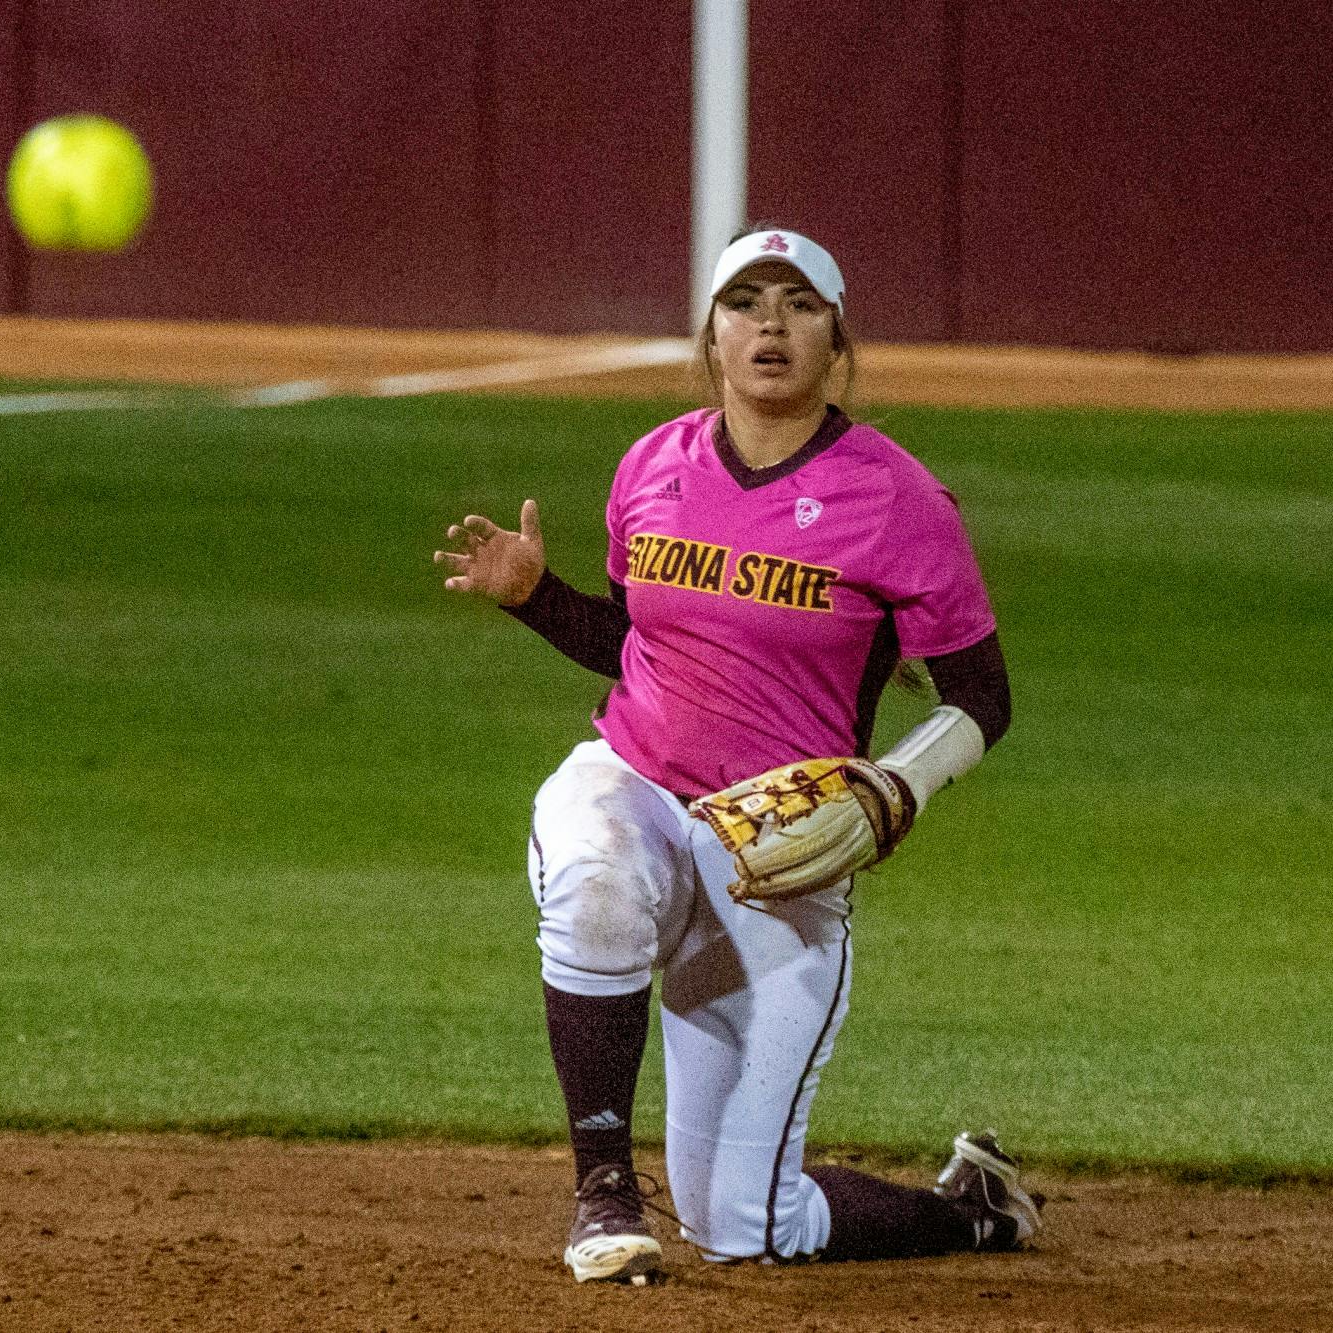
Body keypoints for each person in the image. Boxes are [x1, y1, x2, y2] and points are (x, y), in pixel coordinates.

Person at [433, 226, 1040, 1282]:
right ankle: (603, 1192)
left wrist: (899, 781)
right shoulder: (651, 464)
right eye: (745, 303)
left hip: (777, 846)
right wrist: (536, 599)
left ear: (836, 339)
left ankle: (974, 1210)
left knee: (745, 1227)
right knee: (593, 880)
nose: (770, 324)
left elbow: (982, 697)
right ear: (709, 336)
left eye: (799, 305)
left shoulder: (898, 499)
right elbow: (638, 643)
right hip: (635, 781)